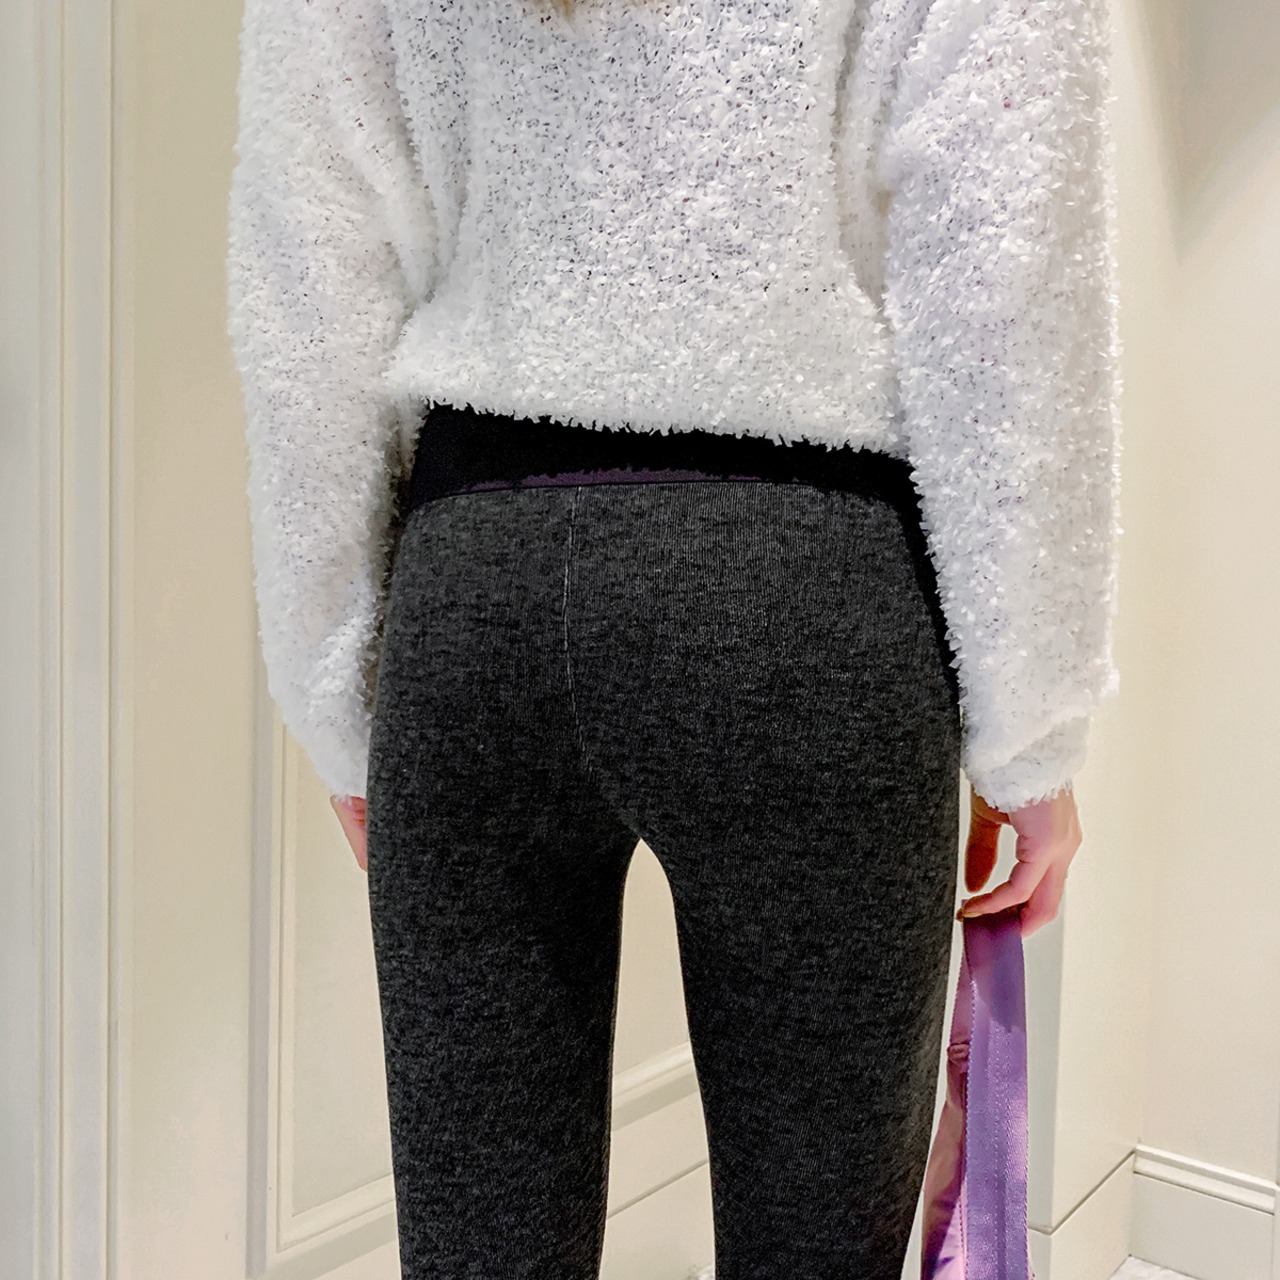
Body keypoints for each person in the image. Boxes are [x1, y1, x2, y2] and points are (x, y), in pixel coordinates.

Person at [226, 0, 1121, 1275]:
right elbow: (1006, 265)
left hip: (475, 594)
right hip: (803, 602)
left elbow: (308, 270)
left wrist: (335, 686)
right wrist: (1030, 727)